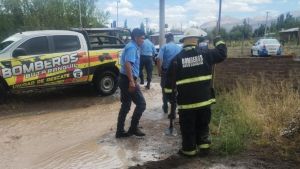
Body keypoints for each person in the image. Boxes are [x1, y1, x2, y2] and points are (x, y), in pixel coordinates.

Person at [164, 28, 227, 157]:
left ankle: (189, 151)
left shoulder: (176, 60)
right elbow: (222, 53)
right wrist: (218, 40)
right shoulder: (205, 54)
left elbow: (168, 86)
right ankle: (204, 147)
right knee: (203, 125)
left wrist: (172, 100)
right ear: (196, 41)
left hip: (186, 106)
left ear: (183, 42)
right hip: (204, 102)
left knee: (188, 129)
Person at [115, 28, 146, 138]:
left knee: (126, 105)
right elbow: (128, 64)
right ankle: (133, 128)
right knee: (141, 104)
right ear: (136, 37)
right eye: (142, 38)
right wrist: (132, 81)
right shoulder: (132, 47)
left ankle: (120, 131)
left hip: (125, 79)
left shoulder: (133, 46)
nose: (143, 40)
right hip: (128, 79)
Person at [156, 33, 182, 113]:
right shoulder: (179, 48)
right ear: (173, 39)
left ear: (167, 39)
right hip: (177, 72)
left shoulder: (164, 47)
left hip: (166, 72)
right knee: (175, 89)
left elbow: (159, 59)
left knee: (164, 89)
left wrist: (159, 70)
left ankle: (165, 105)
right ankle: (173, 110)